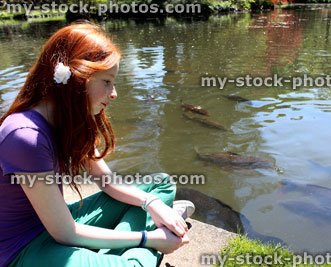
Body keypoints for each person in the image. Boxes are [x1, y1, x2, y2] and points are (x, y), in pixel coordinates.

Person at [0, 21, 195, 267]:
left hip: (56, 223)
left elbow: (107, 181)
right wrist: (148, 239)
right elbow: (66, 233)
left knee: (158, 184)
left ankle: (141, 238)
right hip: (23, 250)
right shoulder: (25, 136)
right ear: (77, 80)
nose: (114, 94)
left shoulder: (70, 121)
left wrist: (152, 203)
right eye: (107, 82)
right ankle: (142, 246)